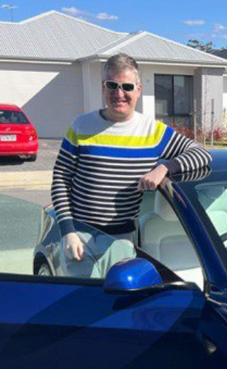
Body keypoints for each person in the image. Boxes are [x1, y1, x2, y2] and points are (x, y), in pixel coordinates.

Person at [50, 53, 212, 275]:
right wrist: (67, 230)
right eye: (112, 85)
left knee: (120, 305)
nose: (119, 93)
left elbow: (201, 154)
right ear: (103, 87)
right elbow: (60, 178)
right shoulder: (81, 126)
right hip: (80, 237)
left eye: (126, 86)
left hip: (123, 241)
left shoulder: (153, 132)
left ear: (138, 90)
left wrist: (163, 168)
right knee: (83, 305)